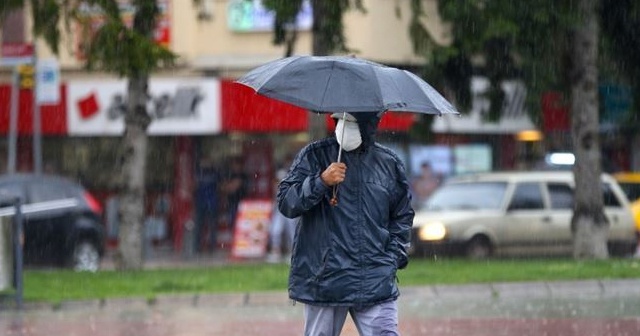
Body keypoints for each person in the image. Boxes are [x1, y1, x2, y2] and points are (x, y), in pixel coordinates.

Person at [277, 112, 414, 335]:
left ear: (369, 124)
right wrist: (320, 181)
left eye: (350, 121)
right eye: (339, 120)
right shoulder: (314, 156)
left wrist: (392, 258)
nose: (343, 126)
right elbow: (287, 202)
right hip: (324, 279)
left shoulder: (388, 163)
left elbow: (402, 216)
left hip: (374, 278)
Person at [266, 168, 298, 264]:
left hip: (290, 211)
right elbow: (275, 202)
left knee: (292, 233)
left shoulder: (292, 186)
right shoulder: (275, 188)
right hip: (279, 211)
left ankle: (293, 253)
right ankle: (276, 252)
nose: (279, 181)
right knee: (275, 231)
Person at [194, 158, 220, 253]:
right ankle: (201, 246)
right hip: (205, 202)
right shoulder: (210, 173)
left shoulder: (210, 173)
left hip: (208, 202)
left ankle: (207, 246)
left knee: (208, 225)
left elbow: (195, 185)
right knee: (202, 226)